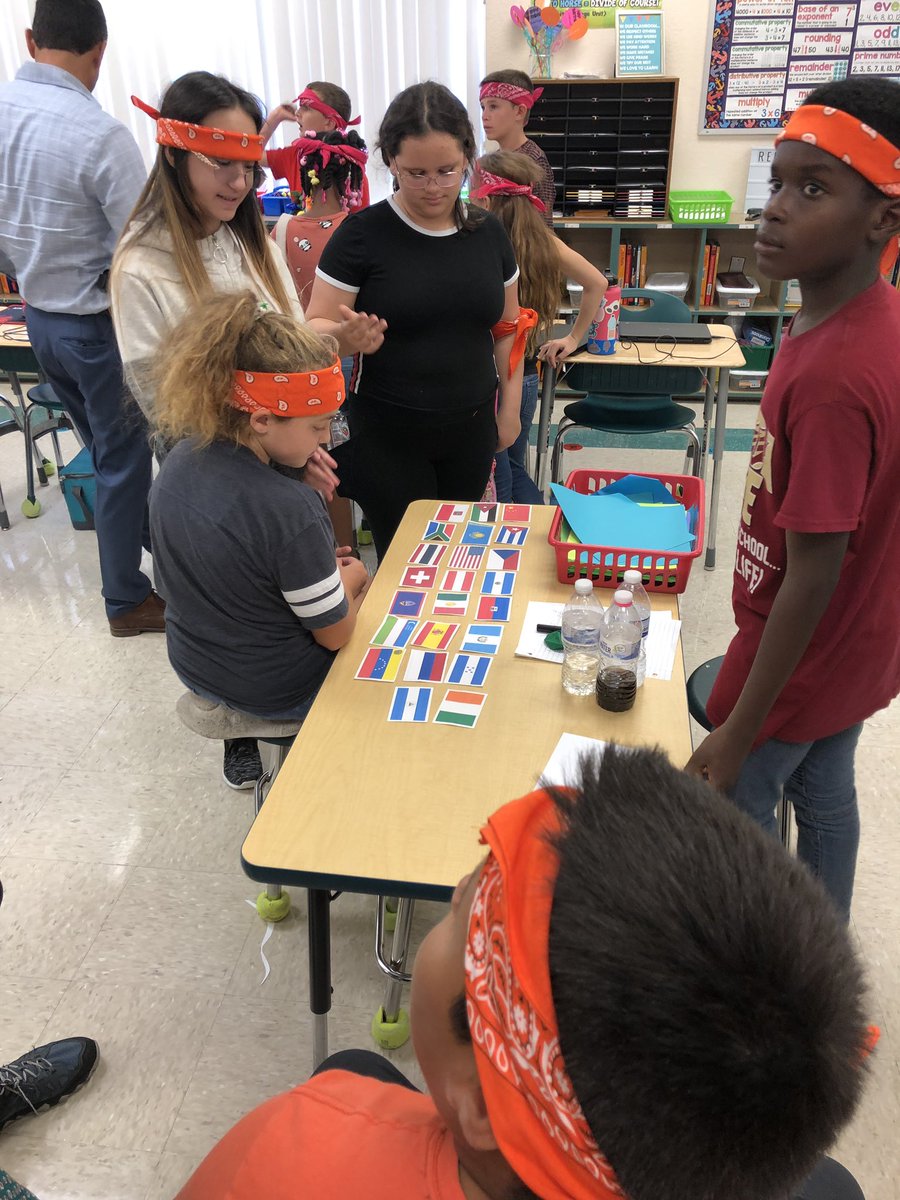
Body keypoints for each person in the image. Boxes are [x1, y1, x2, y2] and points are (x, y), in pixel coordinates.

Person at [175, 746, 872, 1200]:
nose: (454, 895)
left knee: (348, 1068)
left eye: (464, 914)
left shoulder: (291, 1153)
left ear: (482, 1104)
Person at [686, 77, 900, 922]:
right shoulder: (862, 323)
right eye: (778, 182)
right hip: (856, 644)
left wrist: (738, 730)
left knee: (736, 820)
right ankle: (825, 961)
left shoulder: (833, 376)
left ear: (883, 218)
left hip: (797, 651)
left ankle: (776, 989)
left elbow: (814, 570)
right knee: (826, 792)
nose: (774, 208)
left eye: (814, 189)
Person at [149, 290, 369, 789]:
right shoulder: (291, 508)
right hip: (275, 686)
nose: (326, 440)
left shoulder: (179, 460)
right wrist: (349, 580)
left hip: (195, 663)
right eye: (317, 427)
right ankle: (314, 780)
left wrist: (307, 569)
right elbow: (335, 634)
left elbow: (195, 575)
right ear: (263, 418)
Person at [306, 81, 525, 561]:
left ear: (469, 157)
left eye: (448, 171)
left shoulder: (487, 233)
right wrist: (343, 338)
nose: (433, 187)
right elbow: (313, 329)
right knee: (408, 567)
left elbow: (508, 329)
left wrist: (509, 412)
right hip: (389, 435)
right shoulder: (362, 236)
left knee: (462, 558)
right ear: (391, 163)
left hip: (469, 429)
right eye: (416, 173)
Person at [0, 0, 161, 638]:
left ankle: (165, 561)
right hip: (96, 327)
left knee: (104, 451)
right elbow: (145, 245)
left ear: (31, 37)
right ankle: (125, 600)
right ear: (100, 52)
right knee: (123, 461)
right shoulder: (100, 134)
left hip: (39, 318)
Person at [473, 151, 607, 504]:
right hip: (527, 374)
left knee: (500, 472)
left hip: (493, 378)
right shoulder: (544, 241)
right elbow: (597, 282)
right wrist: (575, 337)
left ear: (485, 198)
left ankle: (528, 531)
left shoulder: (479, 242)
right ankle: (532, 529)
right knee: (513, 464)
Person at [270, 127, 369, 549]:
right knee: (346, 456)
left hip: (299, 360)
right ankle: (358, 533)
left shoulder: (283, 228)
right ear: (349, 178)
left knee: (315, 458)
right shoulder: (360, 227)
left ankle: (328, 548)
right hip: (351, 359)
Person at [261, 80, 371, 213]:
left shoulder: (352, 173)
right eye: (299, 106)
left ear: (329, 123)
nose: (297, 113)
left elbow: (360, 229)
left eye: (306, 107)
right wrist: (275, 117)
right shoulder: (295, 155)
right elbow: (253, 155)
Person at [479, 69, 555, 227]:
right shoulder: (494, 162)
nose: (484, 116)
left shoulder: (533, 160)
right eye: (483, 107)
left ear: (519, 111)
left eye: (493, 106)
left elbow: (543, 226)